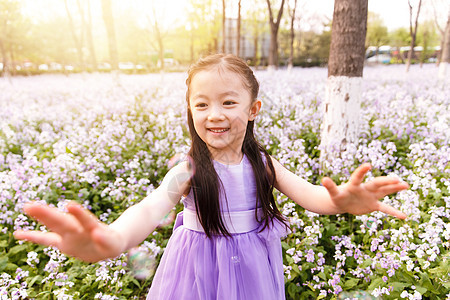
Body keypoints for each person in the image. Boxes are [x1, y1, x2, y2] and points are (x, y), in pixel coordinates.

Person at [14, 54, 409, 299]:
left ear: (253, 109)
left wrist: (340, 202)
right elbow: (151, 207)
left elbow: (312, 197)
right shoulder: (188, 169)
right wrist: (113, 239)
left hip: (253, 267)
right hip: (196, 269)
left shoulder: (264, 164)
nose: (214, 114)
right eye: (201, 104)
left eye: (228, 102)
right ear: (189, 110)